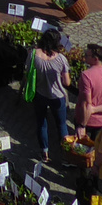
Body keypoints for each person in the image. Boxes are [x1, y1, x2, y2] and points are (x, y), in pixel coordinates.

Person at [30, 30, 72, 161]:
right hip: (57, 96)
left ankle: (44, 153)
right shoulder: (61, 59)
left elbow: (28, 72)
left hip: (40, 93)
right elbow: (67, 82)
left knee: (41, 123)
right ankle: (66, 156)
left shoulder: (33, 54)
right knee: (61, 125)